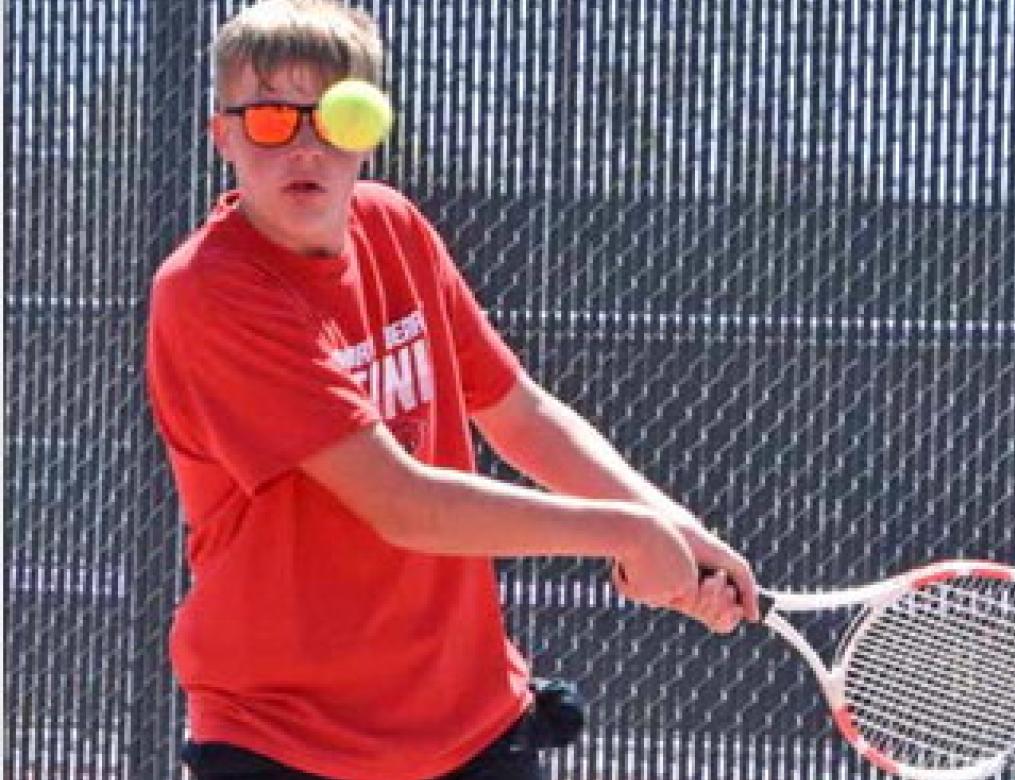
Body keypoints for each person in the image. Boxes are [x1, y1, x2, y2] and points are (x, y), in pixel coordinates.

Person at [145, 1, 760, 778]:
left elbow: (521, 413)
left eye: (335, 116)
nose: (305, 144)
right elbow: (402, 503)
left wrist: (672, 525)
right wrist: (629, 536)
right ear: (223, 135)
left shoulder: (394, 227)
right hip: (284, 741)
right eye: (270, 119)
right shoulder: (211, 291)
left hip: (474, 731)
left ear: (367, 130)